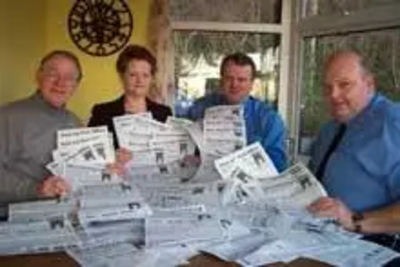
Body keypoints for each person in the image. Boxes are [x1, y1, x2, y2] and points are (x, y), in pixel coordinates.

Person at [307, 50, 400, 253]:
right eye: (327, 87)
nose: (333, 95)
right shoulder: (331, 128)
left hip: (373, 248)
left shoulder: (393, 125)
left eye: (344, 85)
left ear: (369, 84)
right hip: (320, 240)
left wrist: (354, 220)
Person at [0, 50, 83, 209]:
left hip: (63, 214)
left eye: (69, 77)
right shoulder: (7, 116)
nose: (60, 82)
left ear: (76, 84)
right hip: (15, 220)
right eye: (53, 74)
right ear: (39, 76)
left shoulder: (75, 122)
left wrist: (109, 168)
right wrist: (36, 189)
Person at [184, 52, 287, 172]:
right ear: (221, 79)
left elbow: (277, 166)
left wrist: (228, 164)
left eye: (241, 80)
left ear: (251, 84)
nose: (234, 85)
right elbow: (184, 147)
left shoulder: (270, 119)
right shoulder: (199, 108)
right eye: (229, 78)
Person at [88, 44, 172, 148]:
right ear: (122, 76)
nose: (139, 81)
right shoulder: (101, 113)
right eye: (133, 75)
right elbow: (92, 154)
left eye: (145, 75)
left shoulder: (164, 113)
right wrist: (113, 156)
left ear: (152, 78)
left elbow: (171, 151)